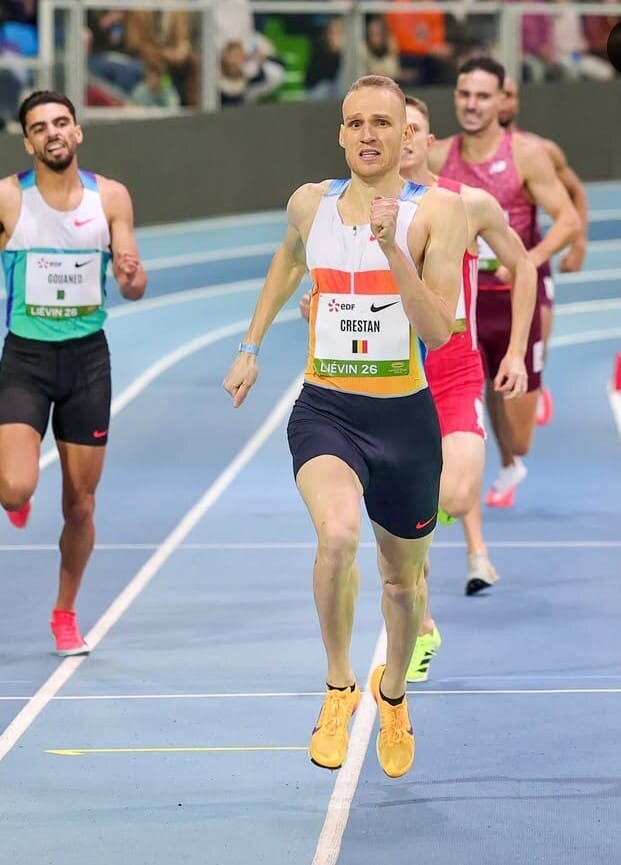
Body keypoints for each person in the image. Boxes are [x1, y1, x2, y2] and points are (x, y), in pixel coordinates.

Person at [223, 75, 468, 778]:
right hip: (327, 409)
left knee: (402, 583)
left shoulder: (437, 212)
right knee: (335, 536)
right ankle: (338, 687)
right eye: (355, 122)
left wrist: (392, 249)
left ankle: (392, 694)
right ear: (340, 133)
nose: (367, 134)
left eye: (382, 123)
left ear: (405, 134)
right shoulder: (311, 203)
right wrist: (250, 345)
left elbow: (438, 331)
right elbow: (288, 259)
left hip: (404, 420)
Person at [300, 93, 537, 680]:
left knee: (451, 497)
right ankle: (420, 618)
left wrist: (515, 351)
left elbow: (523, 265)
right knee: (402, 525)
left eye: (406, 129)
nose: (393, 139)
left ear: (425, 140)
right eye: (379, 125)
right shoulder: (354, 207)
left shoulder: (462, 204)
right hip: (387, 382)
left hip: (450, 371)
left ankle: (425, 555)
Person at [0, 90, 147, 655]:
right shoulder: (10, 199)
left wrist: (130, 275)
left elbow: (135, 285)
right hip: (27, 359)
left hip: (87, 361)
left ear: (78, 132)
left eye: (61, 122)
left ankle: (65, 612)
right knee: (14, 487)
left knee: (80, 504)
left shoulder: (110, 197)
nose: (53, 133)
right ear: (28, 143)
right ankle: (16, 498)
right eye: (40, 127)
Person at [429, 56, 580, 509]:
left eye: (482, 96)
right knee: (462, 408)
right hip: (463, 307)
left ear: (501, 101)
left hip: (514, 305)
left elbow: (568, 218)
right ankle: (461, 505)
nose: (471, 104)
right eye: (464, 95)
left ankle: (513, 411)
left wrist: (528, 260)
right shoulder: (440, 157)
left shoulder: (525, 155)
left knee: (520, 438)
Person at [499, 73, 589, 426]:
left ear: (517, 101)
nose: (502, 101)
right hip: (485, 269)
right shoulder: (459, 155)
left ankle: (533, 381)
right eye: (496, 94)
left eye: (509, 94)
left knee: (540, 332)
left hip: (531, 260)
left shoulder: (539, 150)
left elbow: (575, 191)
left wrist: (578, 245)